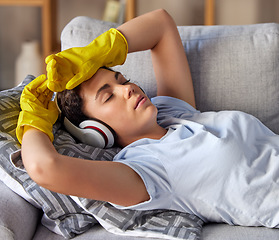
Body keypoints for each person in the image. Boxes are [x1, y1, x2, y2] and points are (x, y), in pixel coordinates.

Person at [17, 9, 279, 228]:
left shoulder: (173, 113)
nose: (127, 89)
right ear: (94, 130)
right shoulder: (146, 171)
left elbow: (161, 24)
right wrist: (35, 114)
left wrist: (94, 54)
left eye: (122, 80)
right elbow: (44, 167)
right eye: (108, 97)